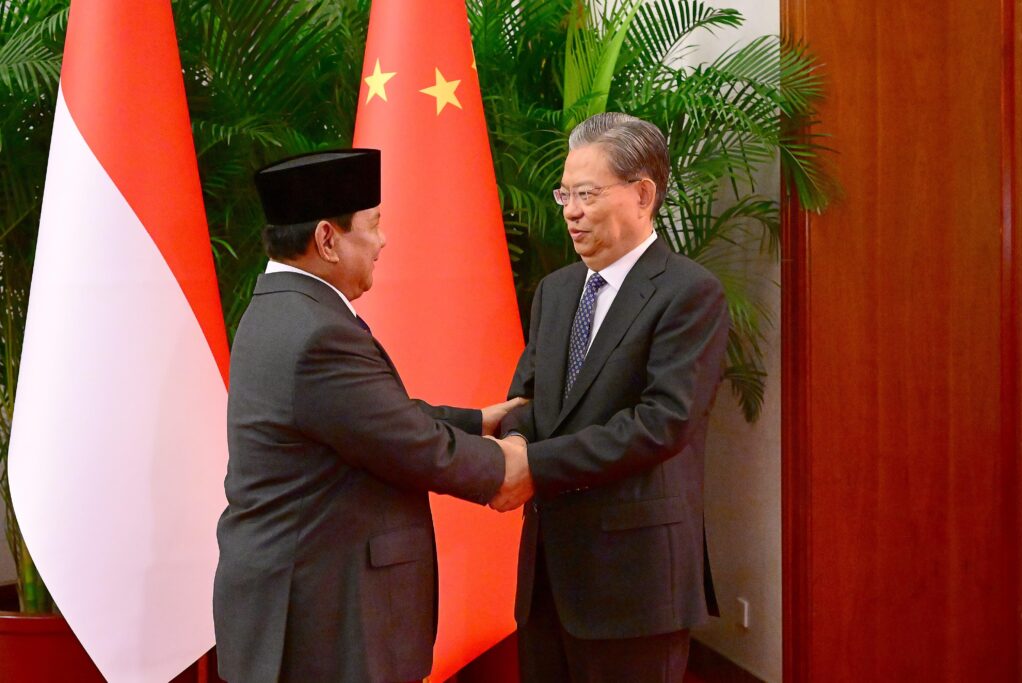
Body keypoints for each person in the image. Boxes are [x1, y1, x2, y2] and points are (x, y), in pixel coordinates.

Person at [212, 149, 530, 683]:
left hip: (299, 600)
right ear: (327, 239)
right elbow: (409, 444)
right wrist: (510, 463)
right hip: (324, 618)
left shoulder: (278, 306)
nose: (383, 243)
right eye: (374, 226)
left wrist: (478, 421)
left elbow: (370, 418)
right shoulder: (316, 332)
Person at [498, 113, 731, 682]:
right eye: (564, 194)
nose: (570, 211)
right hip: (548, 581)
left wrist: (533, 466)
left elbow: (662, 423)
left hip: (635, 586)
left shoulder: (689, 292)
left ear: (643, 194)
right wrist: (507, 445)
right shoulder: (555, 292)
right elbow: (528, 400)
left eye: (586, 194)